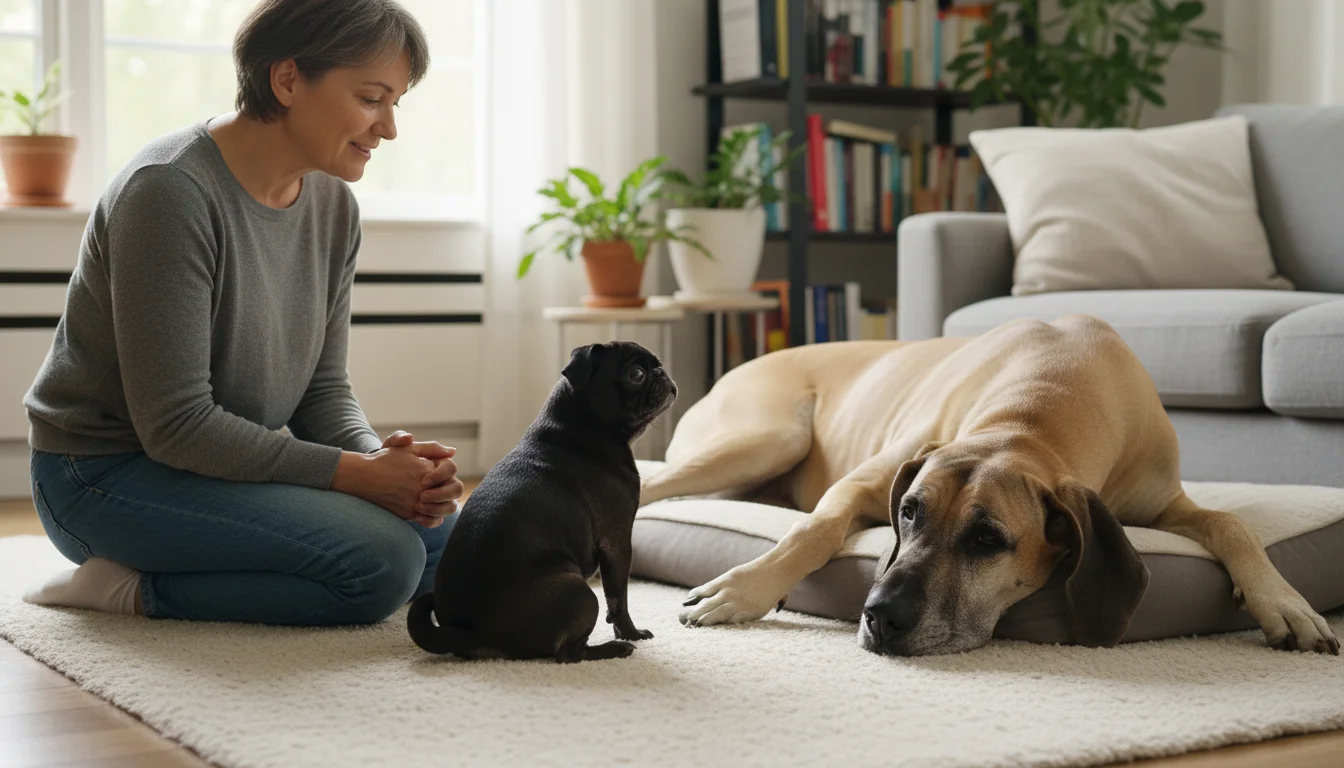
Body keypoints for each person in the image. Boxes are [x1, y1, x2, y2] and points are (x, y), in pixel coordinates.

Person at [20, 0, 463, 626]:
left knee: (453, 539)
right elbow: (176, 425)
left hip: (214, 468)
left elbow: (322, 391)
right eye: (371, 99)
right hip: (100, 476)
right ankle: (125, 590)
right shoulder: (168, 191)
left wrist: (393, 472)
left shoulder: (333, 204)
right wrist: (356, 477)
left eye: (396, 103)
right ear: (287, 81)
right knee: (382, 562)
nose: (388, 127)